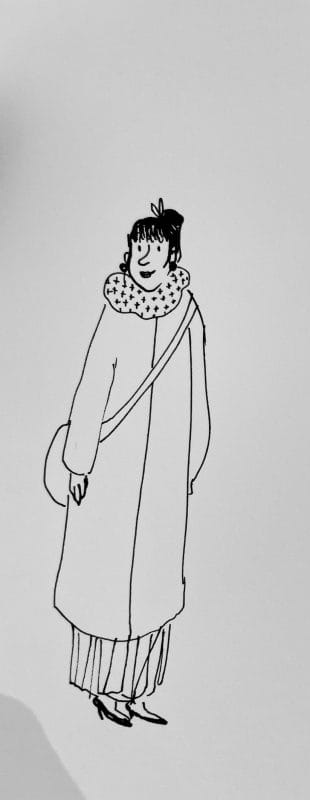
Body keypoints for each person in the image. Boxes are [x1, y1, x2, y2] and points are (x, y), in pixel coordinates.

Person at [53, 199, 211, 727]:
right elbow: (92, 384)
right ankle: (104, 689)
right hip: (111, 470)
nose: (144, 256)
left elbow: (198, 393)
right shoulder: (116, 309)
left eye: (155, 247)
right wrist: (79, 459)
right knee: (104, 579)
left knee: (151, 588)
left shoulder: (187, 315)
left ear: (172, 255)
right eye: (138, 246)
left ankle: (137, 688)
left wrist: (190, 464)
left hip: (163, 470)